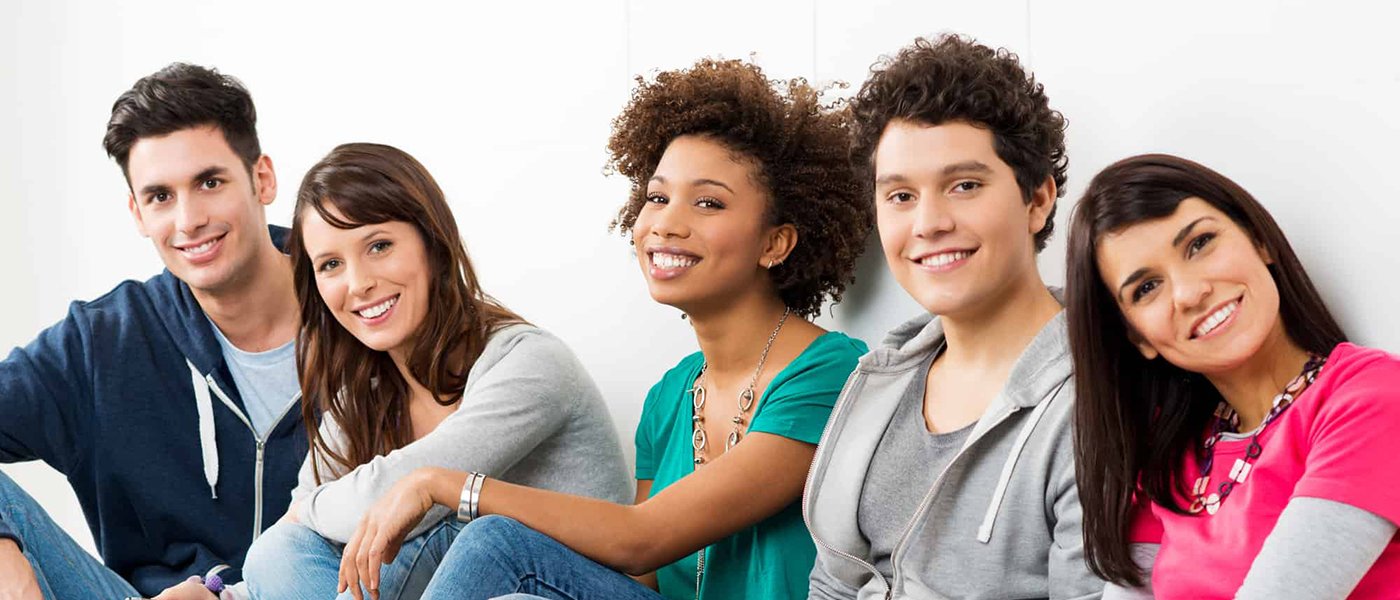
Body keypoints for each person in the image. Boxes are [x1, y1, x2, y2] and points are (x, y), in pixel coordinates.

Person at [304, 58, 873, 600]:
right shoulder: (671, 396)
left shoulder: (829, 372)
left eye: (707, 203)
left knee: (495, 540)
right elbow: (641, 581)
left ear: (775, 242)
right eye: (656, 196)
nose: (666, 223)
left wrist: (445, 486)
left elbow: (641, 537)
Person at [240, 143, 632, 600]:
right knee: (275, 553)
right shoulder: (363, 396)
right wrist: (221, 592)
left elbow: (390, 489)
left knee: (480, 552)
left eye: (379, 246)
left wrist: (310, 507)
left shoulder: (526, 363)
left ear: (432, 241)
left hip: (562, 588)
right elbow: (294, 531)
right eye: (331, 265)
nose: (358, 282)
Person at [805, 34, 1102, 599]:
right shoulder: (880, 378)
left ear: (1037, 201)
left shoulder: (1097, 398)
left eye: (964, 185)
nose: (929, 223)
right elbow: (833, 583)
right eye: (900, 196)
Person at [0, 63, 305, 599]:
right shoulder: (102, 345)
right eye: (161, 196)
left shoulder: (360, 305)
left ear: (262, 179)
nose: (188, 220)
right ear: (137, 211)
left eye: (209, 183)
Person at [1067, 153, 1400, 599]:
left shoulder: (1372, 399)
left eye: (1200, 243)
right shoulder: (1166, 457)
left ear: (1260, 240)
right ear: (1136, 336)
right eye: (1147, 288)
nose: (1190, 292)